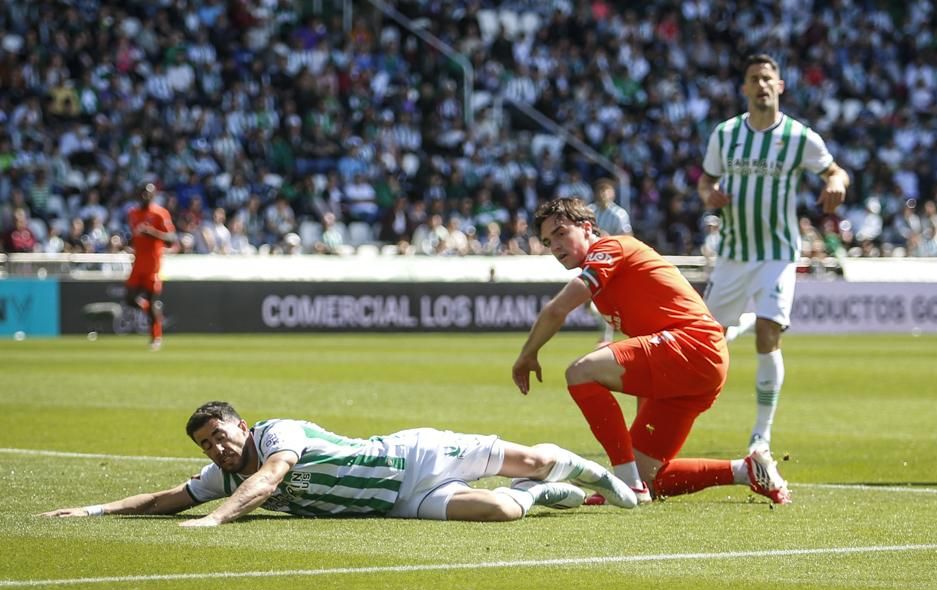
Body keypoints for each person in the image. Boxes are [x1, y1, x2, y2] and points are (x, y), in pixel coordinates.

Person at [511, 197, 790, 505]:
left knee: (580, 373)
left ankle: (627, 484)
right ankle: (746, 470)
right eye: (549, 242)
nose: (556, 246)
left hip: (692, 344)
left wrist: (528, 353)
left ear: (587, 227)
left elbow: (558, 308)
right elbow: (647, 346)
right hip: (695, 363)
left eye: (561, 233)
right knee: (652, 478)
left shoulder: (610, 248)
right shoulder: (606, 275)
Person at [39, 400, 637, 526]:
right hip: (401, 502)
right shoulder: (225, 474)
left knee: (531, 457)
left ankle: (579, 469)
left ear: (241, 426)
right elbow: (166, 498)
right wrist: (94, 509)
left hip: (413, 453)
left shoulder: (276, 433)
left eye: (220, 436)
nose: (217, 450)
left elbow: (272, 477)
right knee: (505, 509)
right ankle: (546, 494)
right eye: (207, 446)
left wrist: (217, 519)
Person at [696, 54, 851, 457]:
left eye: (768, 78)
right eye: (754, 78)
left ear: (780, 86)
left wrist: (836, 183)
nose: (762, 84)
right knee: (705, 343)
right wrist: (708, 195)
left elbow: (836, 171)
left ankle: (760, 436)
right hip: (732, 253)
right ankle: (740, 324)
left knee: (770, 333)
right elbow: (706, 180)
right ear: (744, 88)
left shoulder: (800, 137)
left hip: (778, 253)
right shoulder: (725, 134)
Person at [125, 182, 177, 350]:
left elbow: (171, 239)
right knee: (129, 298)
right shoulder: (132, 213)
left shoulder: (160, 214)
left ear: (154, 195)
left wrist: (153, 233)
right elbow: (134, 236)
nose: (145, 196)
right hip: (137, 262)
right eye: (142, 192)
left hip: (153, 264)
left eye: (148, 193)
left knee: (152, 298)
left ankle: (156, 337)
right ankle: (150, 310)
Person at [587, 177, 632, 344]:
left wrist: (608, 240)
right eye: (601, 190)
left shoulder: (619, 214)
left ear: (613, 193)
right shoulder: (589, 211)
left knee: (610, 300)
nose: (604, 194)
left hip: (613, 263)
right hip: (592, 261)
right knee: (591, 303)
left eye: (607, 190)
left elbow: (627, 238)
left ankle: (607, 336)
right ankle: (608, 333)